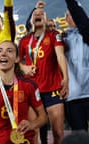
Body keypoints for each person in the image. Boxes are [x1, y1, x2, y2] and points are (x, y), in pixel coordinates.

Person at [19, 7, 69, 144]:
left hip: (52, 89)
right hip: (32, 92)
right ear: (30, 20)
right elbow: (16, 62)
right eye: (35, 14)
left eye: (42, 13)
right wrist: (25, 67)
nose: (38, 15)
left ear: (46, 20)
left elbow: (60, 55)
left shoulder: (53, 35)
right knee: (33, 134)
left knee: (58, 133)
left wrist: (65, 78)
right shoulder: (24, 40)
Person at [63, 0, 89, 132]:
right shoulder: (61, 39)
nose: (73, 16)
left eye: (75, 14)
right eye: (70, 14)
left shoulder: (87, 33)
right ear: (66, 19)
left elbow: (81, 18)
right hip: (74, 97)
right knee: (79, 137)